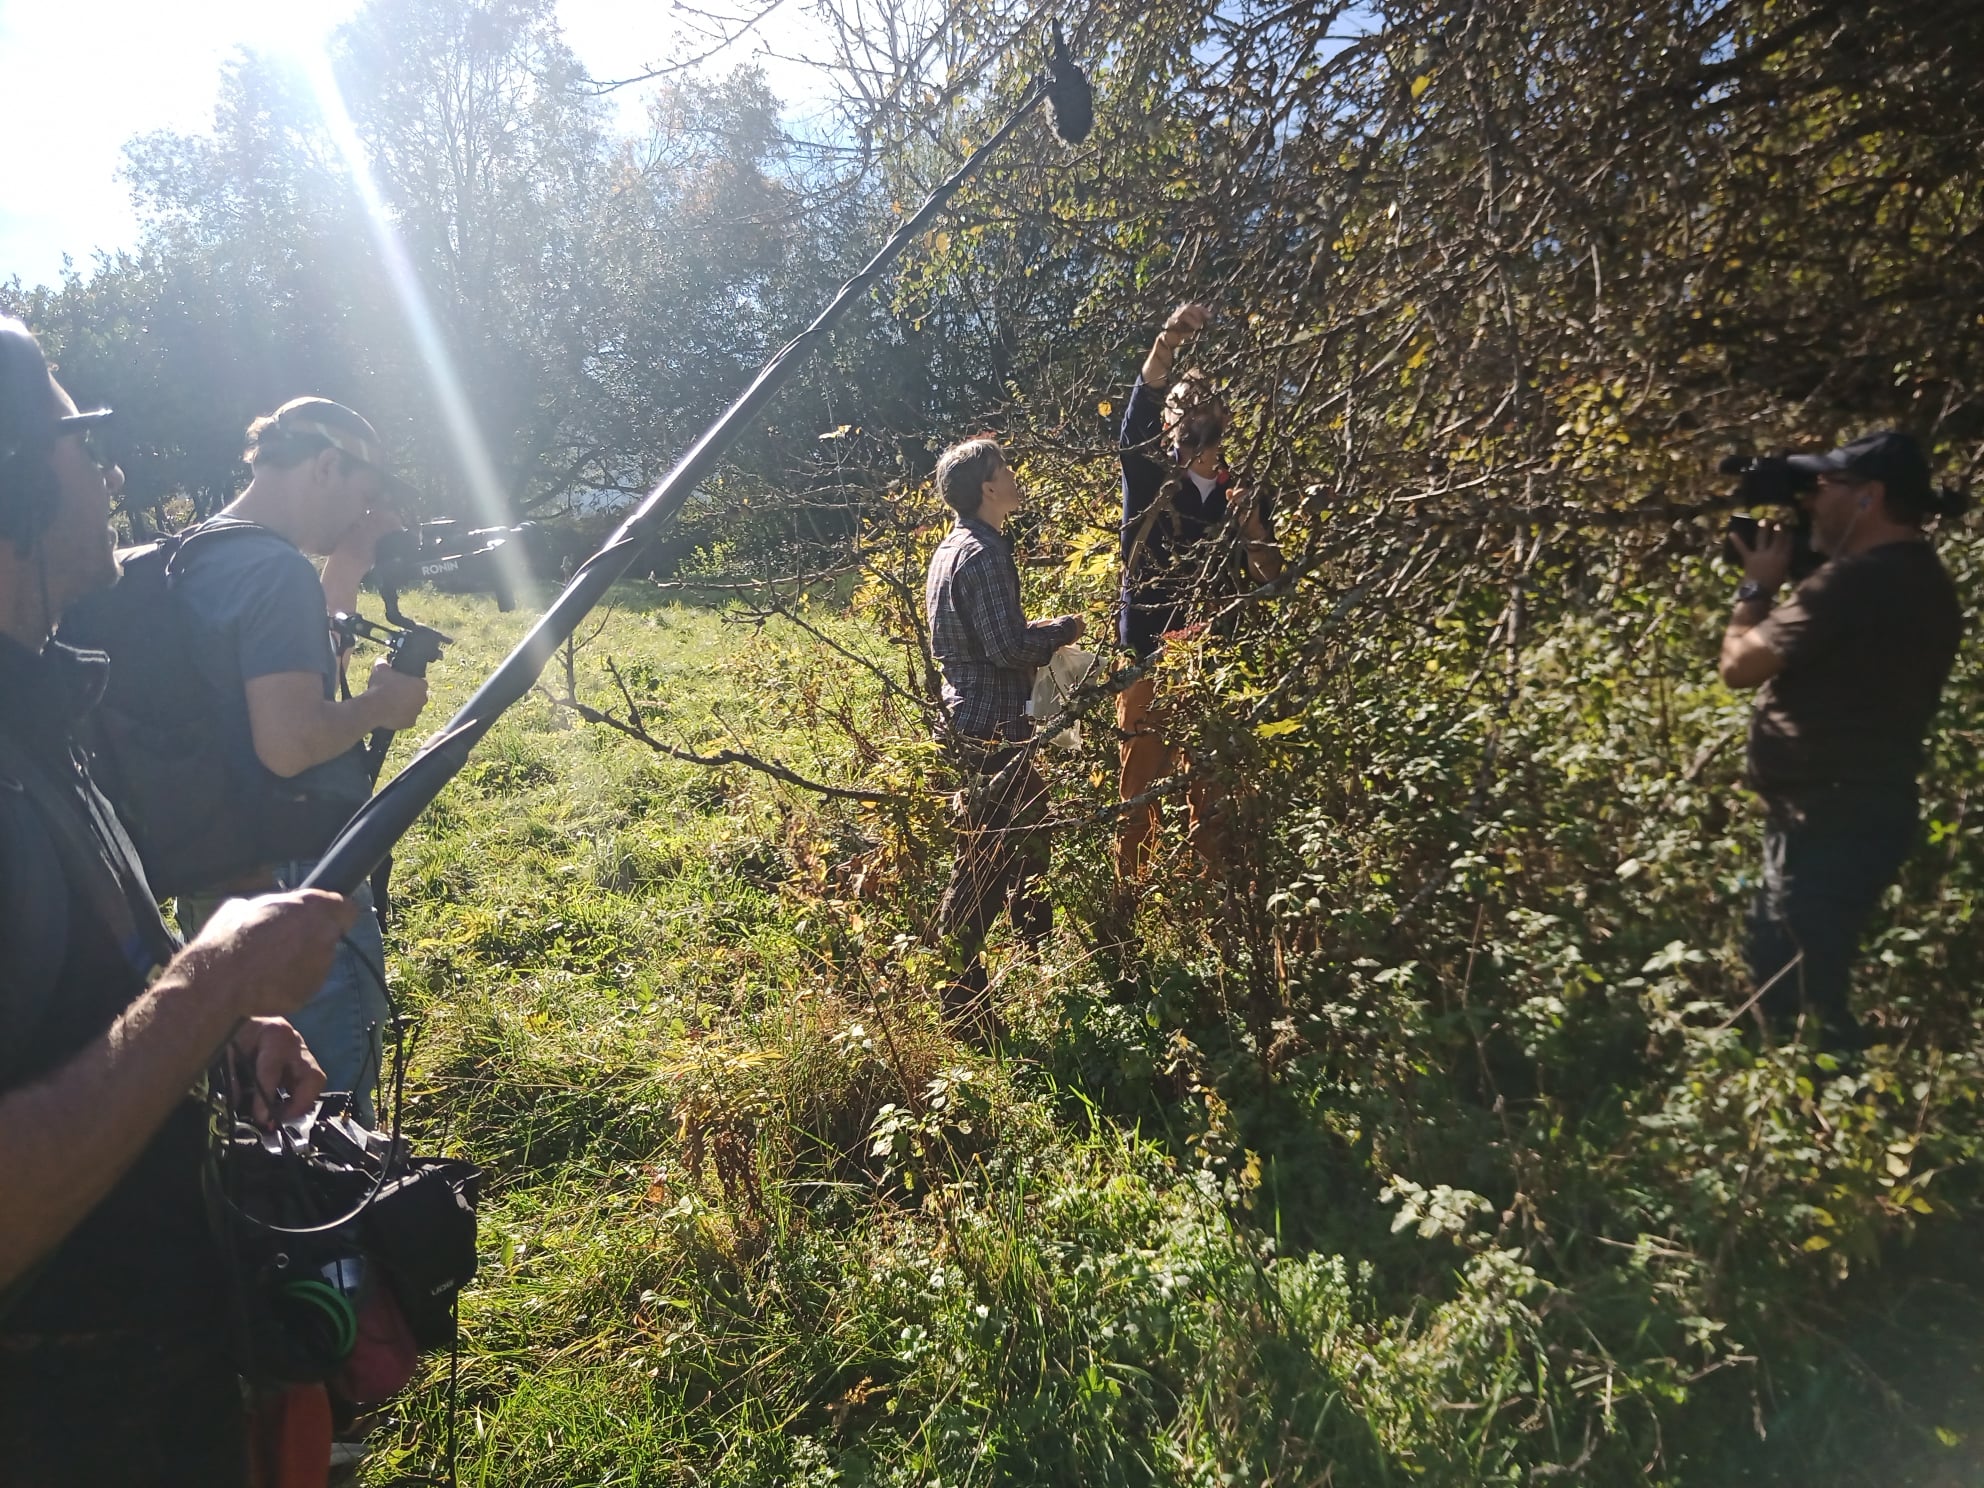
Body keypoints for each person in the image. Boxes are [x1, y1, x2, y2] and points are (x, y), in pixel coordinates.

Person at [0, 316, 358, 1484]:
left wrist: (216, 1018)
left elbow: (75, 989)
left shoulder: (42, 714)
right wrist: (207, 982)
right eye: (77, 439)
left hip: (155, 1375)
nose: (109, 475)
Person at [171, 398, 429, 1124]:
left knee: (254, 1085)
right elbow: (288, 744)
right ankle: (340, 1230)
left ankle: (269, 1222)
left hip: (216, 865)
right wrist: (380, 708)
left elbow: (286, 673)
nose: (362, 512)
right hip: (295, 868)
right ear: (325, 467)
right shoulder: (275, 568)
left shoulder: (200, 554)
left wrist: (345, 566)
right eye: (364, 493)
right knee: (329, 1089)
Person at [1719, 430, 1968, 1047]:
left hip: (1826, 817)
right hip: (1860, 806)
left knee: (1794, 1004)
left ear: (1869, 497)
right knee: (1804, 983)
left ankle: (1827, 1107)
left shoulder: (1852, 586)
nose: (1809, 502)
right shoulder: (1921, 579)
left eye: (1824, 487)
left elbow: (1738, 667)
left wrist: (1756, 586)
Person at [1116, 302, 1282, 882]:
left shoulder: (1245, 490)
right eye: (1180, 406)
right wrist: (1166, 344)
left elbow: (1272, 579)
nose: (1192, 415)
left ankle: (1212, 912)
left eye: (1204, 405)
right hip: (1151, 661)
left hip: (1216, 665)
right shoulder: (1149, 477)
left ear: (1224, 419)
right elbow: (1134, 418)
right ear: (1166, 422)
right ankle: (1126, 911)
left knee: (1212, 803)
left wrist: (1253, 531)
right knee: (1136, 800)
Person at [923, 438, 1085, 1023]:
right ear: (989, 487)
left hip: (969, 716)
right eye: (1005, 469)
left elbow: (984, 636)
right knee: (986, 861)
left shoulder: (951, 548)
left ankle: (1037, 957)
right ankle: (959, 999)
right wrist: (1063, 632)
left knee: (1029, 831)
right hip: (993, 723)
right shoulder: (986, 554)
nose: (1015, 476)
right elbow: (1007, 645)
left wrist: (1040, 628)